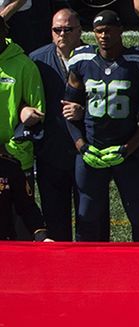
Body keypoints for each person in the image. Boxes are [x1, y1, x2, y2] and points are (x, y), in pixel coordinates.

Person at [66, 9, 139, 242]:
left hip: (128, 152)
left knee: (138, 214)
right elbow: (68, 110)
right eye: (98, 31)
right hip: (91, 150)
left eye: (109, 30)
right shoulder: (81, 61)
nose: (103, 36)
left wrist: (128, 148)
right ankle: (86, 266)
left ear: (120, 31)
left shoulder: (138, 63)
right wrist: (81, 146)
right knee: (86, 214)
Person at [27, 4, 77, 238]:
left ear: (79, 30)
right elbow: (23, 98)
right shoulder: (37, 60)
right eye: (57, 30)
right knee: (55, 219)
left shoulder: (94, 57)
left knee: (91, 217)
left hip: (85, 150)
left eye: (68, 29)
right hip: (51, 150)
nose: (62, 35)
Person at [0, 11, 45, 239]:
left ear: (4, 32)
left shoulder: (23, 65)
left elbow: (38, 112)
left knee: (21, 227)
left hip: (14, 159)